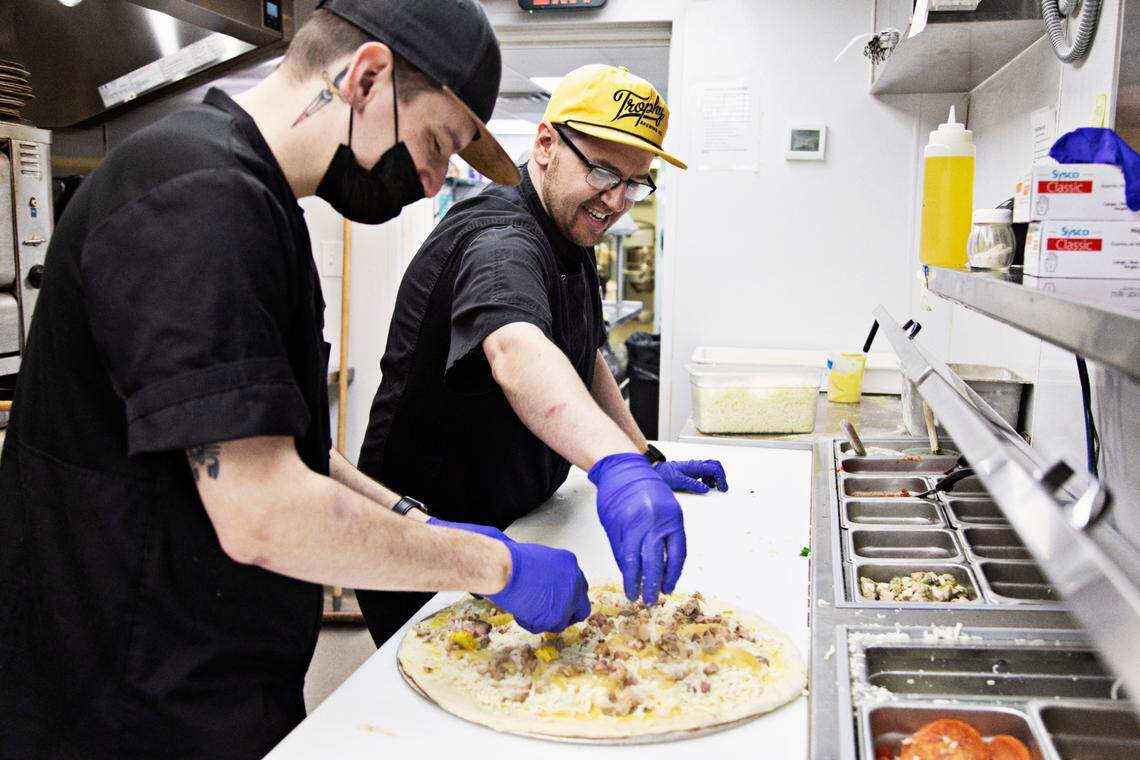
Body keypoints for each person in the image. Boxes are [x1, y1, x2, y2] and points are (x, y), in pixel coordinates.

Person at [0, 2, 591, 758]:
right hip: (124, 700)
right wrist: (492, 565)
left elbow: (291, 445)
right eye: (438, 142)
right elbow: (262, 510)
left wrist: (415, 521)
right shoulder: (194, 194)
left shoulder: (257, 201)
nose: (437, 177)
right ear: (368, 78)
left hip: (214, 675)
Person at [355, 64, 729, 647]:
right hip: (437, 544)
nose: (617, 200)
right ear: (547, 144)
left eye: (636, 182)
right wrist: (613, 468)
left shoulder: (570, 229)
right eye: (604, 172)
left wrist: (641, 454)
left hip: (523, 527)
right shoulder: (499, 236)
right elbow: (517, 349)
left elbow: (582, 357)